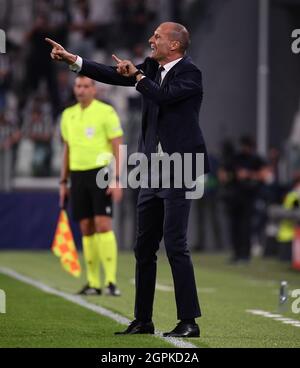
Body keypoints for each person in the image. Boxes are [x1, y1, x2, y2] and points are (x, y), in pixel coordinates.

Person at [46, 21, 209, 338]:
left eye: (158, 36)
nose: (151, 40)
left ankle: (189, 320)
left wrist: (137, 76)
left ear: (174, 45)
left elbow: (161, 97)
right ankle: (142, 320)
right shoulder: (149, 67)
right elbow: (111, 73)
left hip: (181, 166)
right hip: (152, 168)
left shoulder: (191, 73)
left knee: (175, 245)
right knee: (143, 246)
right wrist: (74, 60)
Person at [59, 74, 123, 296]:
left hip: (101, 173)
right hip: (77, 175)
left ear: (94, 90)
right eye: (78, 86)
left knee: (103, 224)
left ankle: (112, 281)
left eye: (86, 86)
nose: (81, 90)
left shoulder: (106, 112)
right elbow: (66, 149)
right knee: (86, 227)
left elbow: (118, 146)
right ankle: (94, 282)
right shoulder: (68, 115)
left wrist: (117, 178)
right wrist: (63, 181)